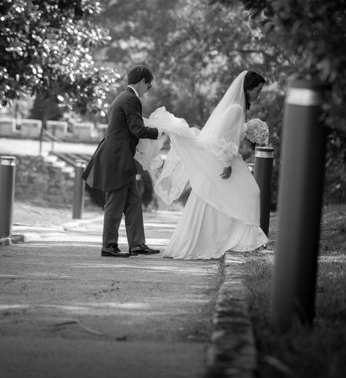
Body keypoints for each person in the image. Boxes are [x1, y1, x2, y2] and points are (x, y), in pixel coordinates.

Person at [136, 70, 269, 259]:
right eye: (258, 90)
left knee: (219, 199)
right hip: (224, 160)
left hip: (229, 158)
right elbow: (221, 138)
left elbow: (231, 135)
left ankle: (238, 240)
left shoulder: (238, 108)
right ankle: (242, 240)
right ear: (247, 89)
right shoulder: (235, 110)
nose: (259, 94)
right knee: (249, 193)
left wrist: (248, 131)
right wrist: (226, 163)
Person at [82, 64, 162, 258]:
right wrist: (159, 131)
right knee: (115, 203)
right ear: (143, 81)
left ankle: (137, 244)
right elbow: (138, 129)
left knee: (133, 202)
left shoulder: (122, 97)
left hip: (120, 157)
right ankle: (108, 246)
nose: (147, 91)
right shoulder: (131, 99)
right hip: (118, 158)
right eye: (148, 86)